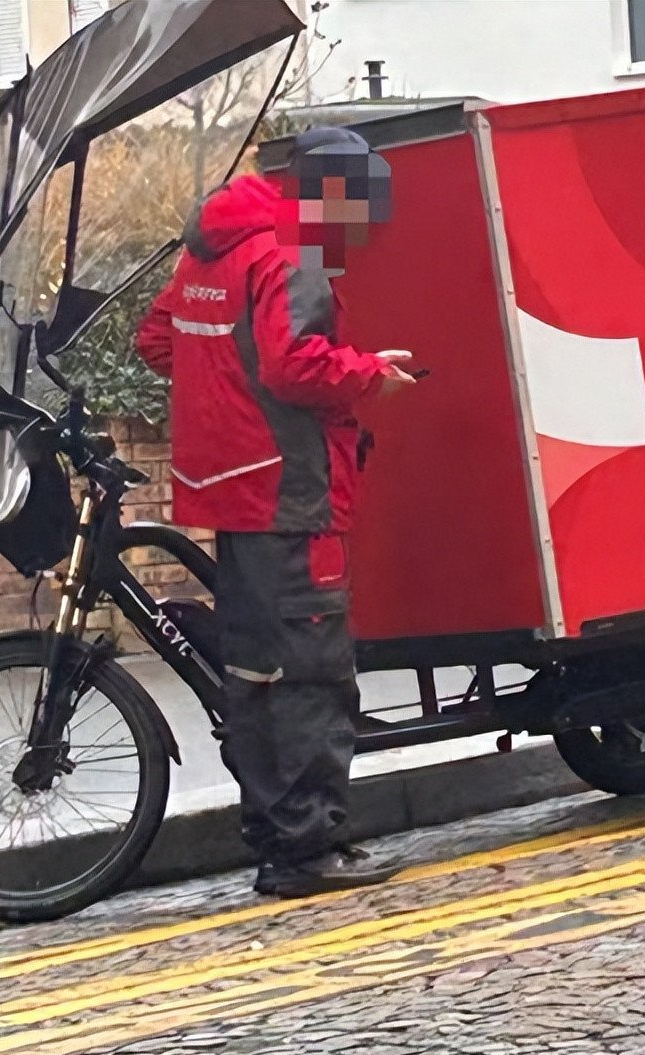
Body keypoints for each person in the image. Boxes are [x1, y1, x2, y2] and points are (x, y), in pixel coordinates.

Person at [134, 127, 414, 899]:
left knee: (256, 675)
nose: (357, 226)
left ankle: (273, 835)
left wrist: (229, 393)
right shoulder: (292, 253)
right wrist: (370, 374)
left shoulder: (212, 249)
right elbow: (295, 366)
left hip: (227, 488)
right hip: (290, 492)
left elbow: (159, 341)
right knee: (310, 675)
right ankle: (307, 848)